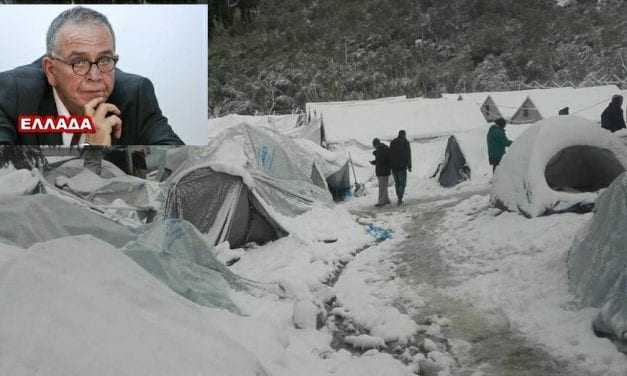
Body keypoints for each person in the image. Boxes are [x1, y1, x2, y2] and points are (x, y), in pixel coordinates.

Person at [0, 6, 183, 146]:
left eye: (104, 60)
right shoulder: (11, 94)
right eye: (79, 62)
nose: (95, 76)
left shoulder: (135, 94)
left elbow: (179, 162)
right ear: (50, 70)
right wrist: (92, 153)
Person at [388, 130, 412, 205]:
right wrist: (409, 166)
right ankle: (400, 198)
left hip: (394, 167)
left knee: (397, 183)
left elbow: (390, 155)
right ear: (404, 135)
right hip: (402, 167)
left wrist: (390, 166)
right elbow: (408, 155)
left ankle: (399, 197)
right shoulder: (405, 142)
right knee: (402, 183)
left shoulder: (393, 142)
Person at [370, 138, 391, 207]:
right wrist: (374, 161)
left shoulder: (381, 150)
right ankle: (386, 199)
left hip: (382, 171)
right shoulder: (383, 149)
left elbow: (382, 161)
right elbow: (381, 160)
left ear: (376, 144)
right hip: (384, 171)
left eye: (374, 145)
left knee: (382, 187)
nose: (374, 147)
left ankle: (381, 202)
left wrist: (376, 155)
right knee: (384, 186)